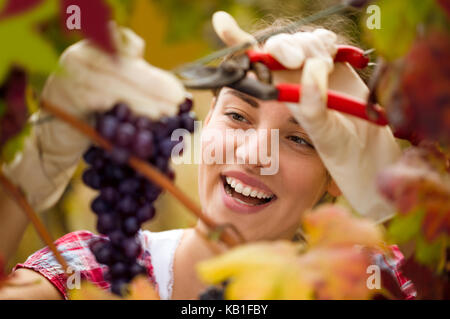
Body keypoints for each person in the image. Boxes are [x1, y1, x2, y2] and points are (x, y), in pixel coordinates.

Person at [0, 12, 411, 300]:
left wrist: (393, 199)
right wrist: (19, 187)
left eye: (300, 139)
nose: (253, 155)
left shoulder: (363, 284)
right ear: (207, 117)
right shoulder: (96, 268)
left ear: (337, 173)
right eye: (237, 115)